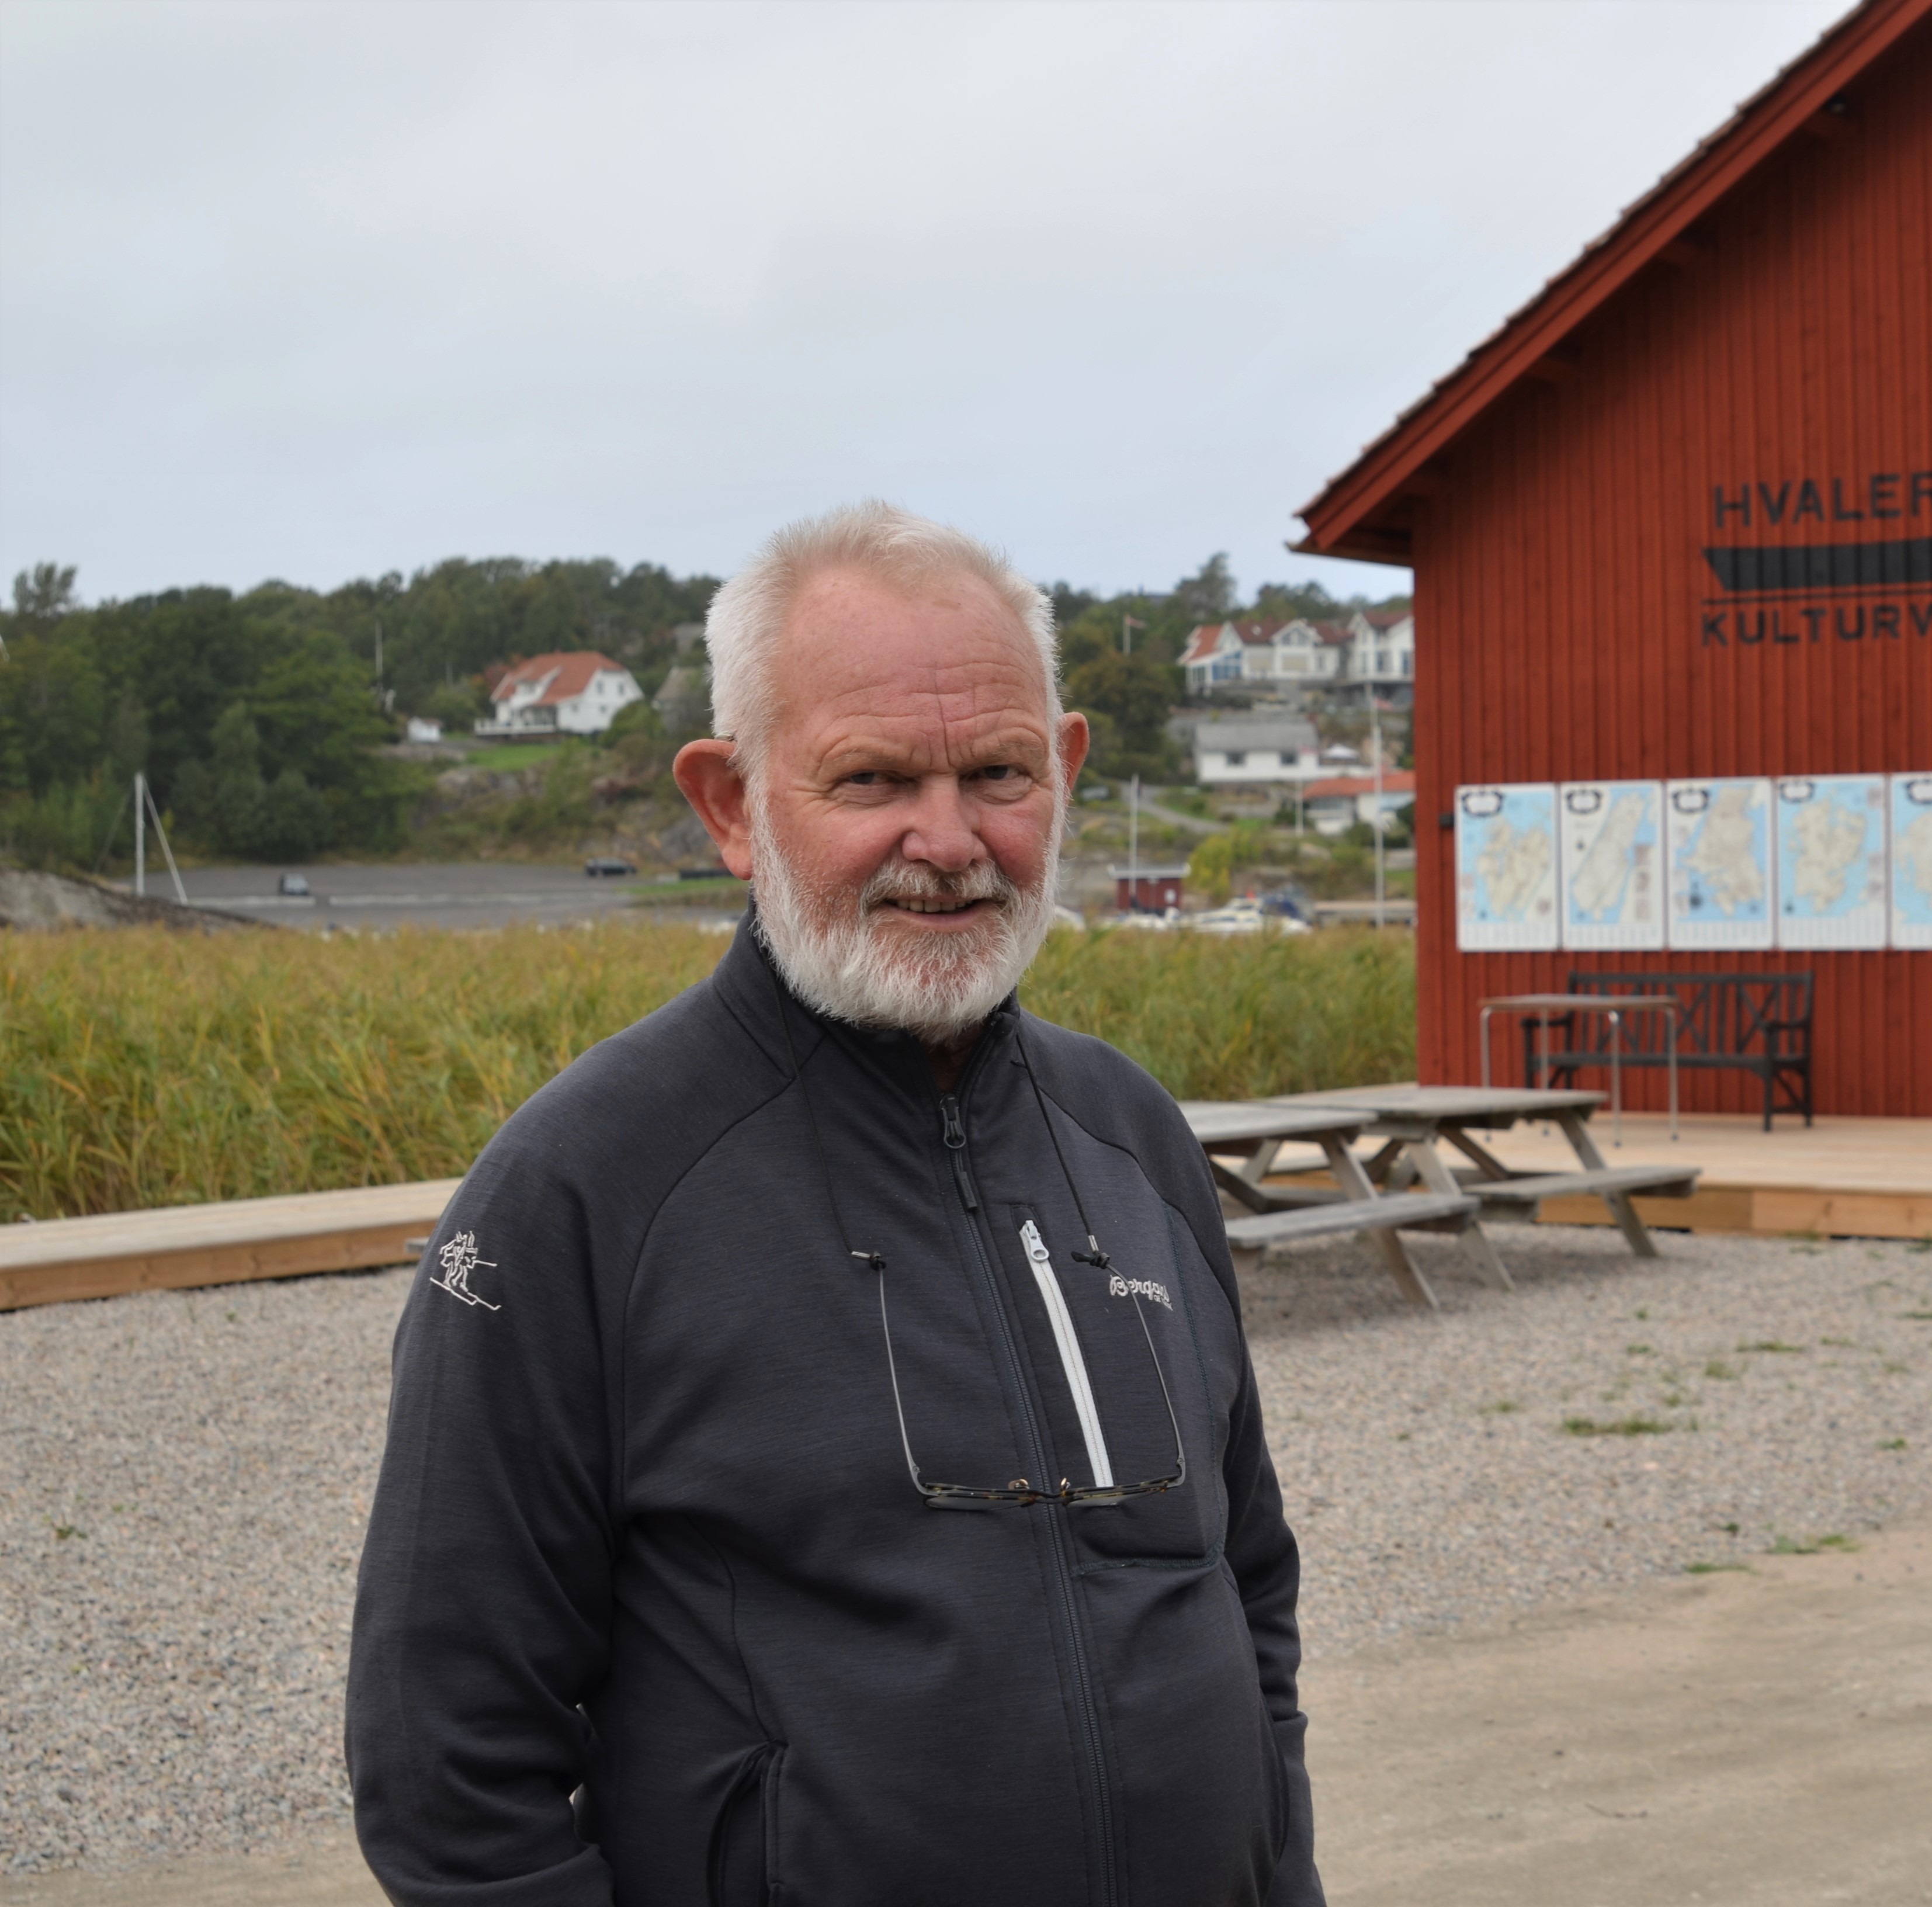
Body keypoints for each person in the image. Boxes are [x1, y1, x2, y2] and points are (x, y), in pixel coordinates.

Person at [348, 503, 1320, 1905]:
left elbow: (1246, 1591)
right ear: (732, 804)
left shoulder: (1130, 1138)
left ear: (1066, 769)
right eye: (871, 783)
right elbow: (447, 1759)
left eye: (998, 772)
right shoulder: (583, 1191)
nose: (948, 840)